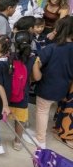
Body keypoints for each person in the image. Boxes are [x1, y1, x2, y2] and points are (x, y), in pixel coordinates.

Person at [28, 16, 73, 149]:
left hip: (47, 86)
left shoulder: (52, 48)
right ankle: (39, 134)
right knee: (48, 110)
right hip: (63, 88)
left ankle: (40, 140)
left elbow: (37, 63)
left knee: (42, 111)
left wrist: (35, 73)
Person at [9, 31, 36, 151]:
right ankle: (17, 142)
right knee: (20, 118)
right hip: (22, 94)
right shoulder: (33, 59)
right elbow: (36, 77)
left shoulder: (10, 56)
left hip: (8, 93)